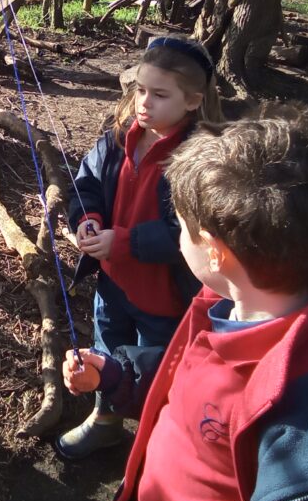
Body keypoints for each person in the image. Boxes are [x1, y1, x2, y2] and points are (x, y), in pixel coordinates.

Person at [63, 111, 308, 501]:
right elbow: (194, 381)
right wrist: (120, 375)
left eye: (182, 228)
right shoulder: (225, 303)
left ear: (214, 251)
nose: (180, 237)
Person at [57, 35, 224, 459]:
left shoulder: (201, 158)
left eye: (160, 95)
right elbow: (86, 183)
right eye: (141, 90)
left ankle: (159, 444)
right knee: (108, 351)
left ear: (192, 101)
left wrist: (127, 241)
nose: (144, 103)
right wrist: (87, 219)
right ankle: (106, 420)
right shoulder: (120, 136)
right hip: (113, 284)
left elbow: (193, 234)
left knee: (162, 371)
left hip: (167, 297)